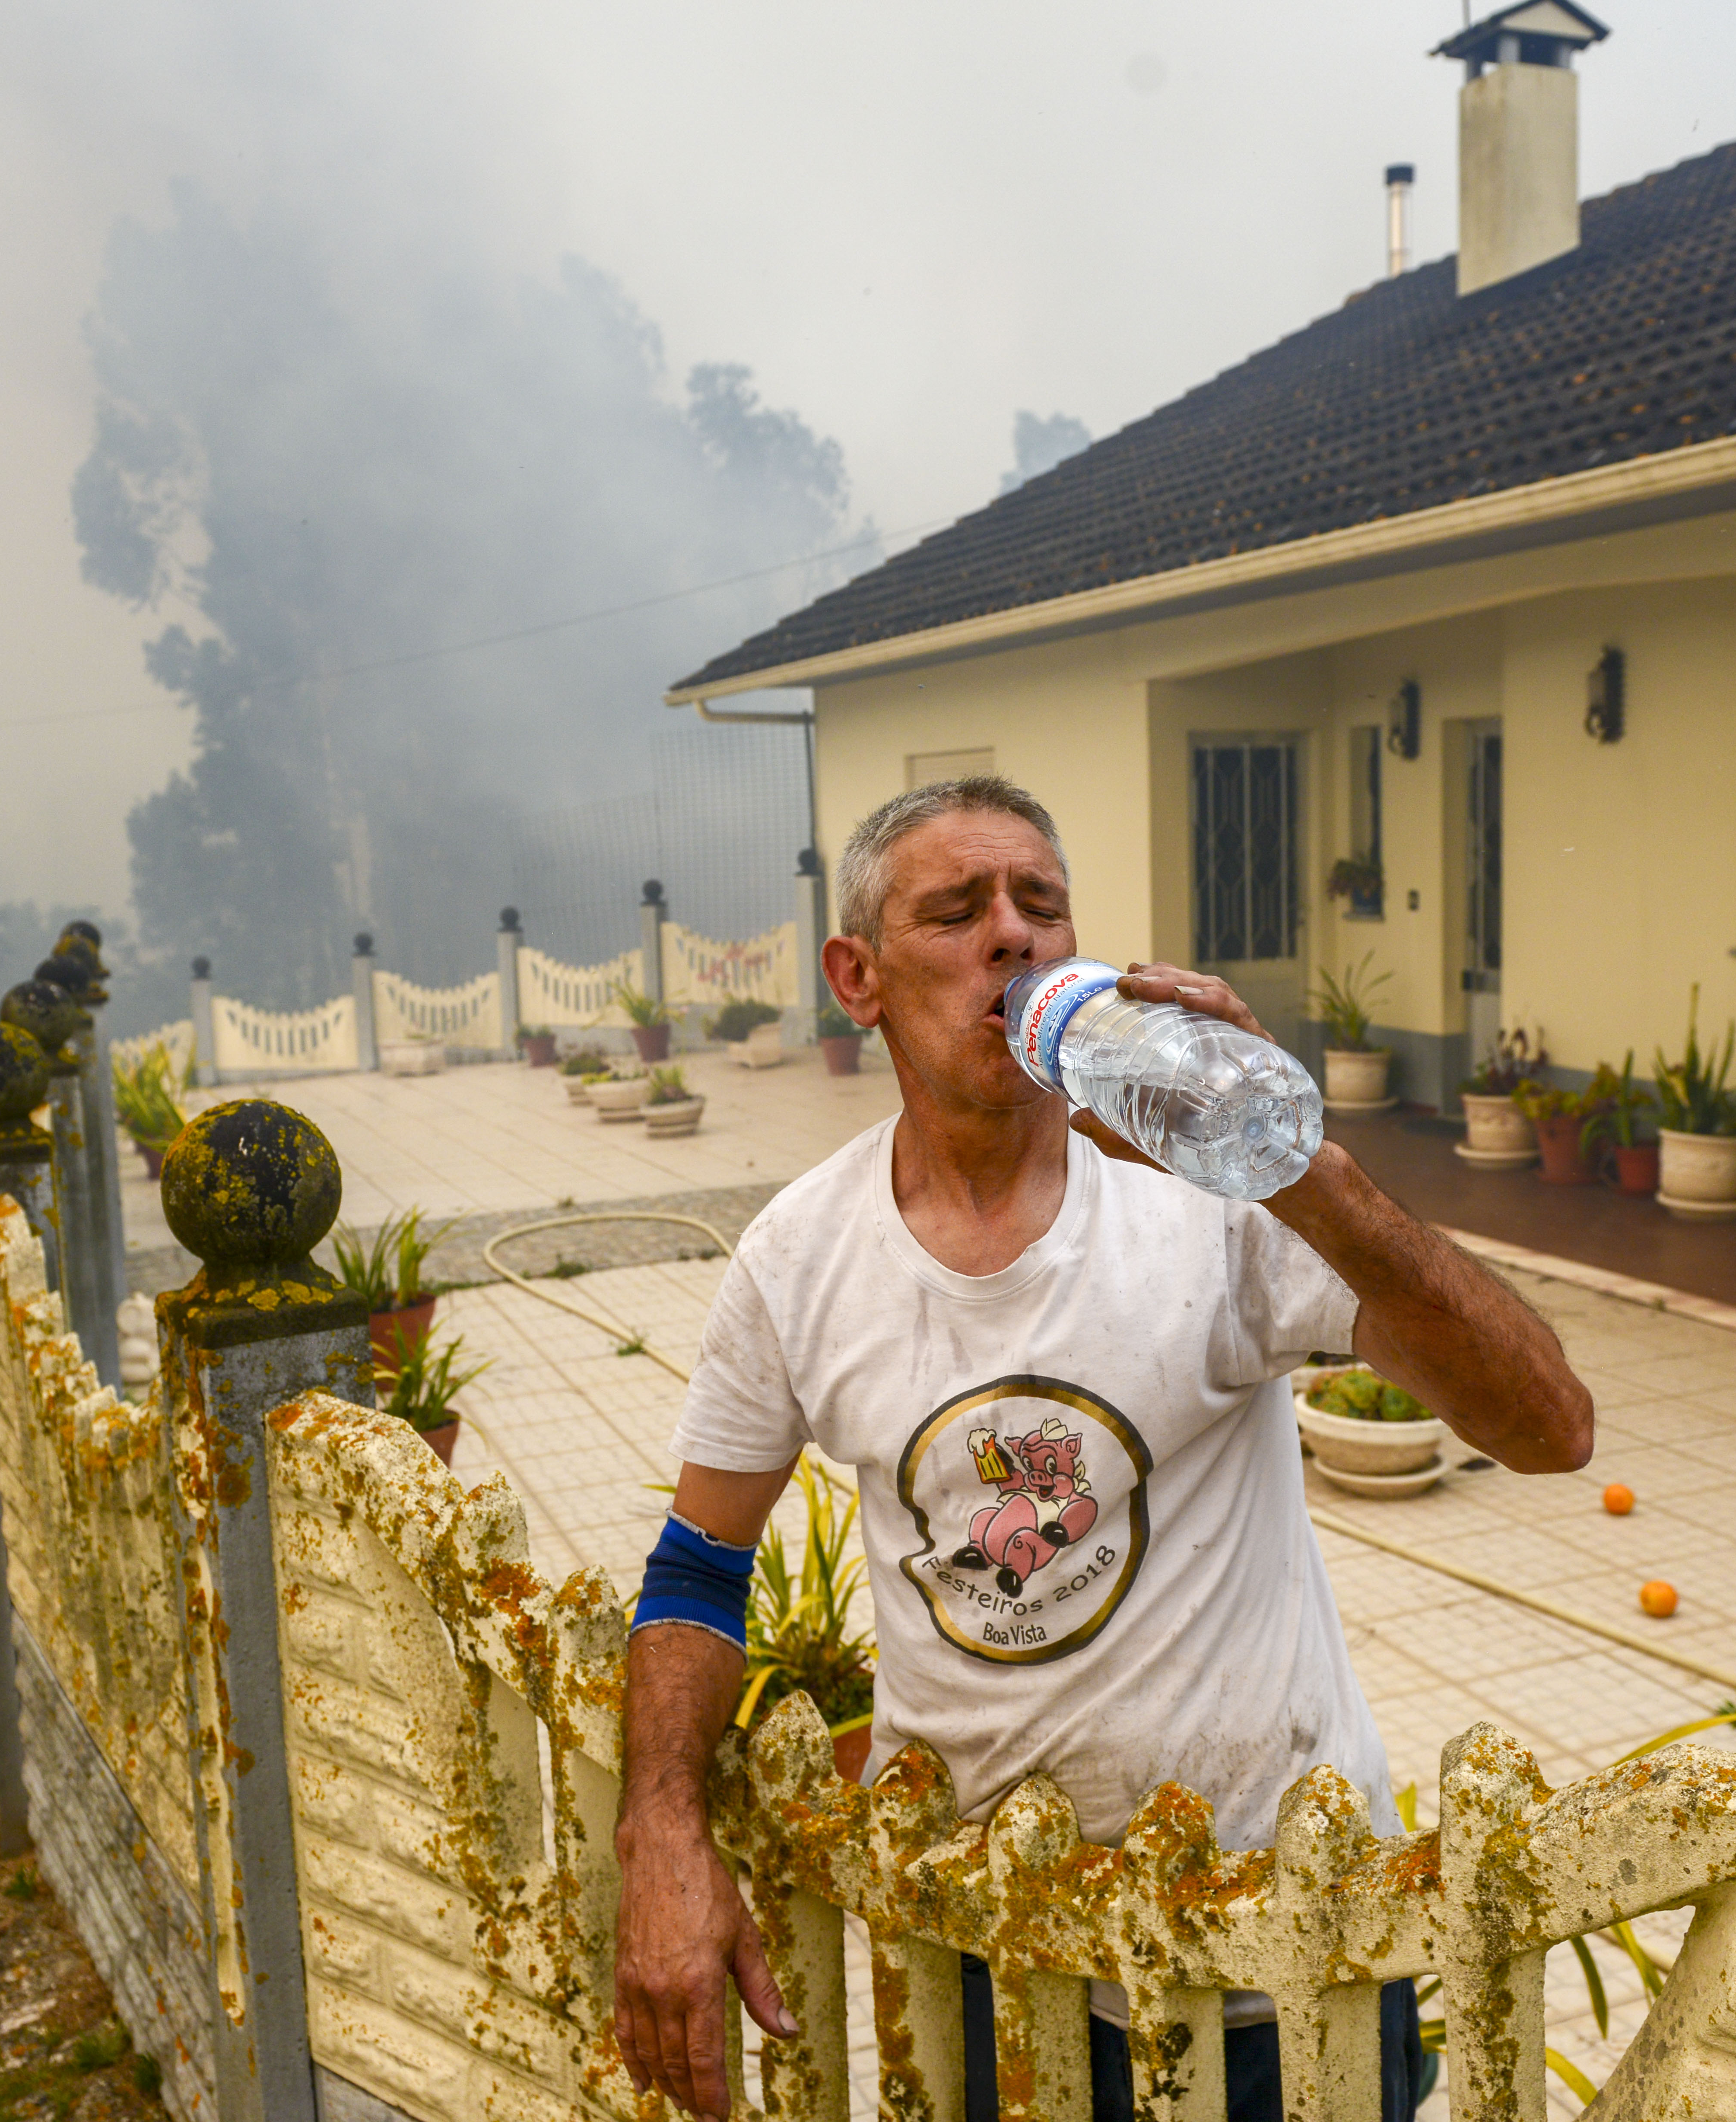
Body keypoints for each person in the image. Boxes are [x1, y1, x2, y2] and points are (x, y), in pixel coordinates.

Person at [613, 777, 1595, 2122]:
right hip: (988, 1950)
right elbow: (694, 1565)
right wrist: (659, 1827)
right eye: (954, 912)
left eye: (1038, 904)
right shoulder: (797, 1258)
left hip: (1276, 1944)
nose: (1008, 937)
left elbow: (1548, 1428)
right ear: (857, 975)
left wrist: (1303, 1162)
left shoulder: (1209, 1200)